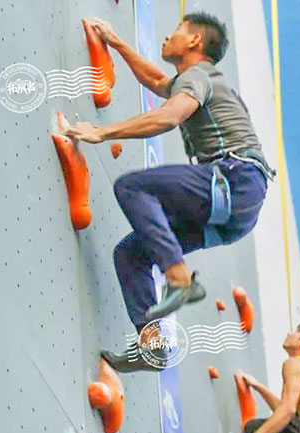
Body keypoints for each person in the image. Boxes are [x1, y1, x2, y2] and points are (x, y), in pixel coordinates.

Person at [61, 13, 274, 372]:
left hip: (236, 180)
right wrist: (117, 42)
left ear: (194, 41)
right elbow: (159, 81)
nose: (166, 38)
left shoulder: (200, 77)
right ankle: (153, 344)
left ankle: (178, 279)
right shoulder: (198, 80)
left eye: (175, 31)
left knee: (132, 187)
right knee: (132, 254)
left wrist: (103, 132)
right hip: (236, 215)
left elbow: (168, 117)